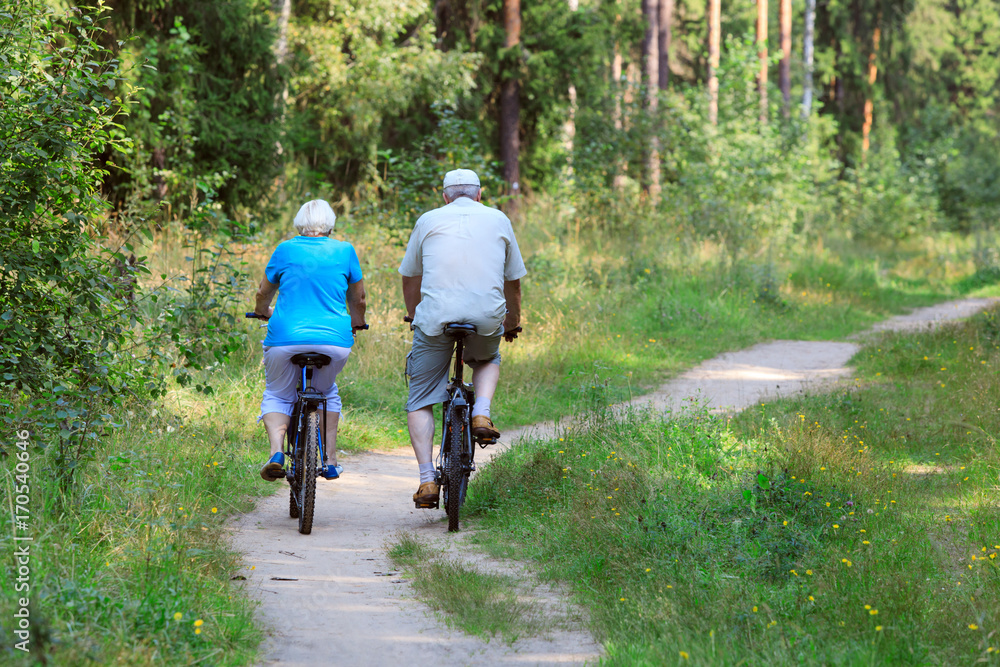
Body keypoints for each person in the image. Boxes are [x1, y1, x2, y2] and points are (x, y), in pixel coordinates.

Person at [398, 168, 526, 508]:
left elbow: (410, 276)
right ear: (480, 195)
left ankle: (427, 481)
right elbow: (513, 281)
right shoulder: (499, 219)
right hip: (485, 318)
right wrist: (512, 322)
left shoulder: (428, 220)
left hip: (436, 318)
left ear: (445, 197)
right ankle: (481, 414)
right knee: (487, 357)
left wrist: (415, 315)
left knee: (421, 398)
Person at [253, 199, 367, 481]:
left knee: (278, 394)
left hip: (285, 339)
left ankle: (277, 453)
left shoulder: (285, 249)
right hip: (334, 341)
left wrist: (261, 312)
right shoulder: (344, 250)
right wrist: (357, 323)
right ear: (330, 224)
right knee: (327, 393)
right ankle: (329, 461)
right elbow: (359, 298)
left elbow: (263, 294)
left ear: (299, 221)